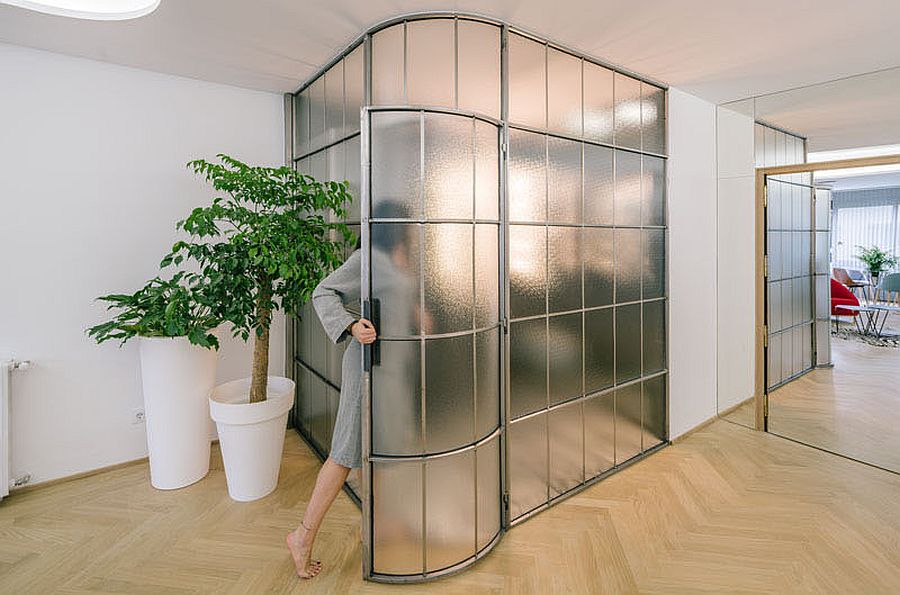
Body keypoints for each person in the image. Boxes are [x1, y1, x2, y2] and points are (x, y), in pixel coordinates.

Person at [286, 203, 419, 579]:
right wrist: (350, 326)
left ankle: (376, 528)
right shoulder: (369, 258)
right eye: (406, 225)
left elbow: (390, 305)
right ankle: (302, 535)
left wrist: (414, 315)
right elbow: (322, 292)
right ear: (391, 227)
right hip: (366, 369)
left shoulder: (395, 260)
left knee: (378, 452)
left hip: (390, 373)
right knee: (345, 453)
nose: (411, 231)